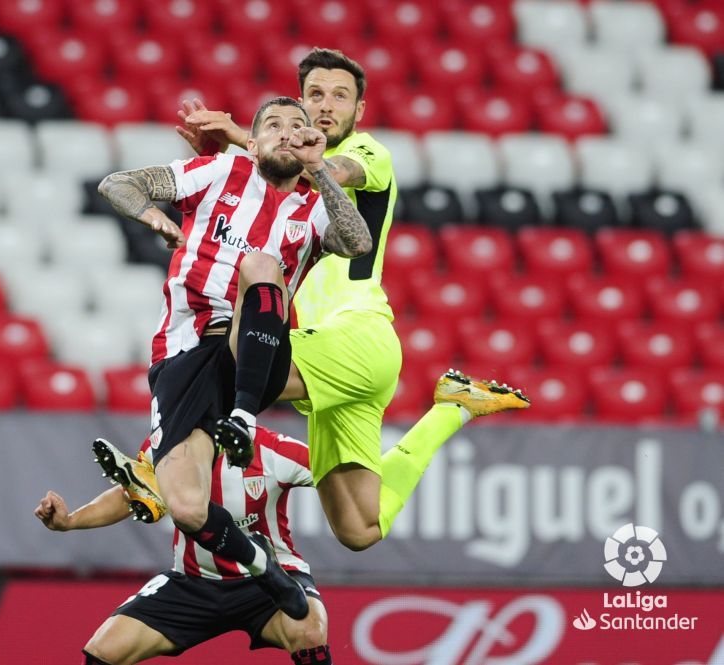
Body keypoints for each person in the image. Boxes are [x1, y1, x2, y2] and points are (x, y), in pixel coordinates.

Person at [175, 48, 530, 552]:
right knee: (359, 528)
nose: (326, 106)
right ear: (299, 101)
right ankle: (454, 409)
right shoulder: (268, 187)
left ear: (359, 110)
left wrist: (242, 138)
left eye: (340, 96)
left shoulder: (367, 152)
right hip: (331, 359)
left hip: (358, 335)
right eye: (315, 95)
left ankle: (158, 463)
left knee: (233, 371)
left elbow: (332, 172)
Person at [96, 96, 372, 620]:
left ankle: (242, 417)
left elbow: (357, 243)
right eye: (274, 125)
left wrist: (321, 171)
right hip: (181, 350)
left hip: (252, 349)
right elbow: (117, 183)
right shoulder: (220, 170)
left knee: (262, 264)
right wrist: (156, 218)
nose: (288, 133)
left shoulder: (315, 203)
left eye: (300, 126)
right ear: (253, 140)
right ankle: (264, 568)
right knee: (186, 507)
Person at [34, 430, 332, 665]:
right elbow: (130, 496)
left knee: (310, 632)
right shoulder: (165, 443)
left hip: (270, 582)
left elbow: (340, 477)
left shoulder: (274, 449)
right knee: (103, 650)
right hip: (192, 581)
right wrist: (70, 521)